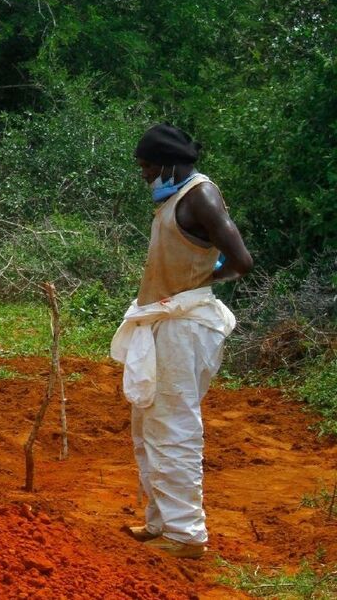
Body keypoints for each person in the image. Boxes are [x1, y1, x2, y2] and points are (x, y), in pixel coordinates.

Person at [111, 123, 252, 559]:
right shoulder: (174, 199)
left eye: (147, 165)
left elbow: (241, 260)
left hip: (185, 325)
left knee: (173, 429)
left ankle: (186, 536)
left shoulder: (200, 196)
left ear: (168, 163)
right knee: (149, 426)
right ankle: (161, 522)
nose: (144, 174)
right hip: (169, 324)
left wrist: (196, 283)